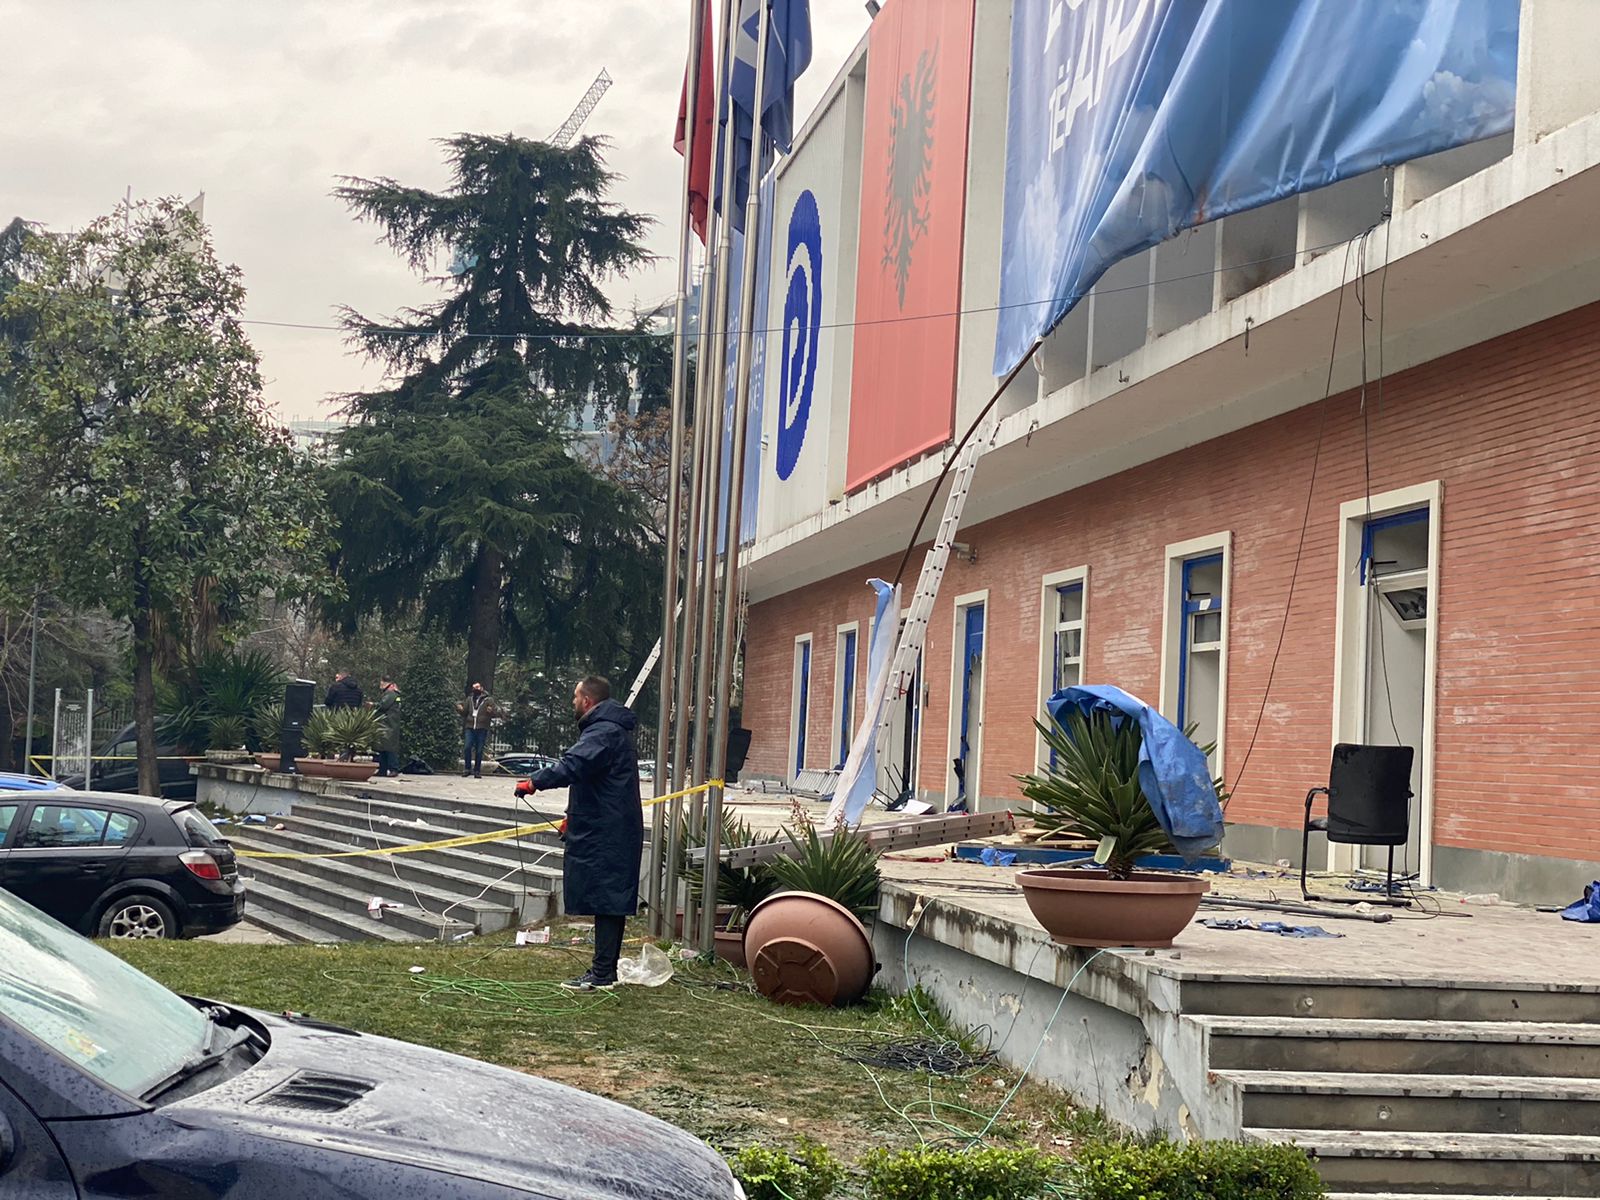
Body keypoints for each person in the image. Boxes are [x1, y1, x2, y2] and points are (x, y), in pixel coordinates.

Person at [515, 676, 642, 992]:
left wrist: (534, 782)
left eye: (575, 697)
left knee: (607, 900)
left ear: (587, 701)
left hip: (607, 830)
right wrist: (572, 817)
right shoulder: (610, 730)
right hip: (607, 824)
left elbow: (574, 765)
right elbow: (593, 781)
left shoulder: (603, 732)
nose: (573, 702)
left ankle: (602, 974)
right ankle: (604, 970)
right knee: (608, 900)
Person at [456, 682, 498, 779]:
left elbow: (494, 713)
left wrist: (491, 711)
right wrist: (459, 708)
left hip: (482, 727)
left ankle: (477, 771)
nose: (476, 689)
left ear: (482, 688)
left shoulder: (488, 700)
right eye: (474, 687)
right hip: (470, 727)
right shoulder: (469, 699)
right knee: (467, 747)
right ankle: (467, 769)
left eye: (477, 687)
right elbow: (464, 713)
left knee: (479, 750)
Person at [374, 678, 402, 777]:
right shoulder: (392, 694)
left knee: (389, 748)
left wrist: (373, 705)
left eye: (382, 683)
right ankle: (383, 769)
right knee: (383, 748)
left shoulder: (391, 694)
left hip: (388, 724)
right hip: (387, 724)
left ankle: (393, 768)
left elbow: (383, 706)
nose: (381, 685)